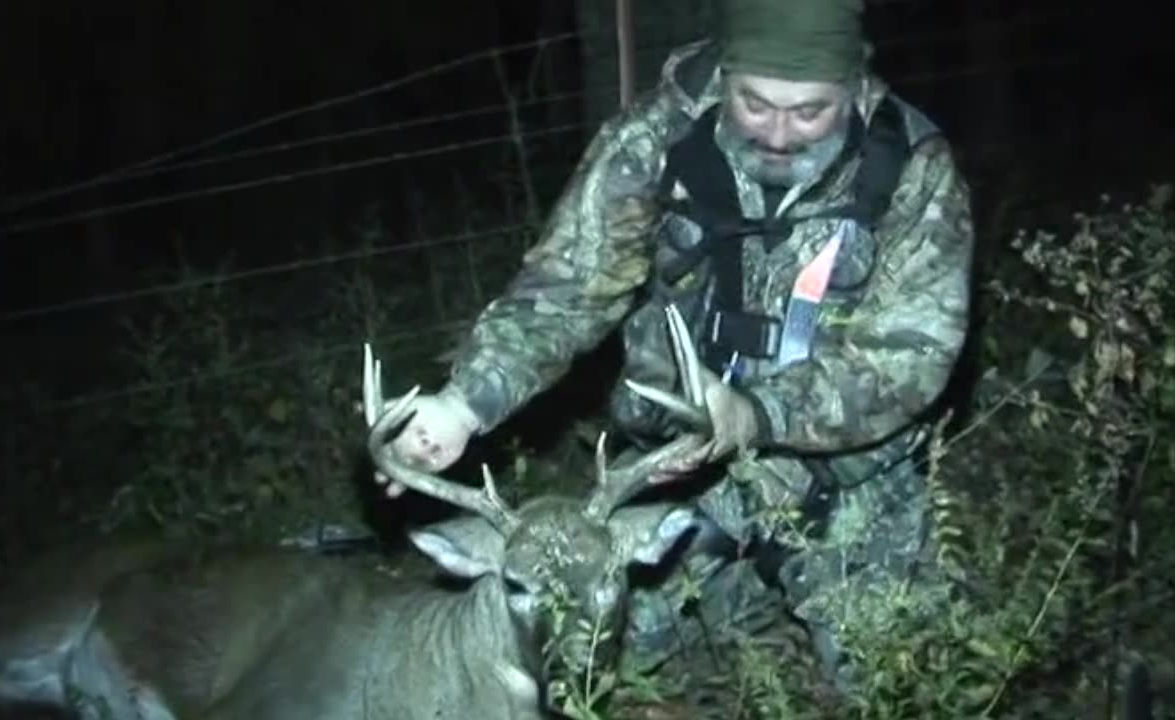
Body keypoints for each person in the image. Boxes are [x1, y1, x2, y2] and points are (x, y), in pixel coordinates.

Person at [378, 0, 975, 696]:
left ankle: (767, 595)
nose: (779, 134)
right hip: (677, 473)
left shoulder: (911, 169)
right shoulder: (652, 139)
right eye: (754, 103)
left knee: (907, 686)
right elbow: (570, 287)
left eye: (811, 111)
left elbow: (910, 358)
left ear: (856, 85)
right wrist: (463, 404)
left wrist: (754, 414)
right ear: (725, 74)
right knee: (574, 654)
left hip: (844, 480)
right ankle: (733, 602)